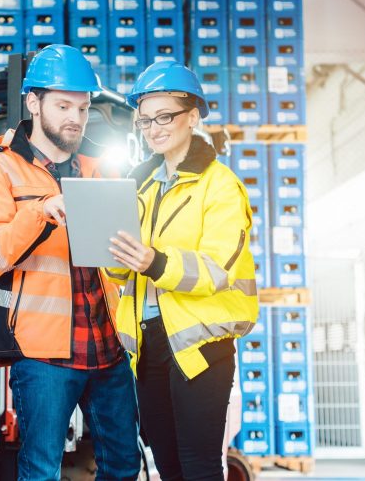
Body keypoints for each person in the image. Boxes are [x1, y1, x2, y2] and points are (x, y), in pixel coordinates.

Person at [0, 44, 142, 480]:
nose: (75, 118)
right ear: (33, 103)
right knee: (42, 469)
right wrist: (40, 211)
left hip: (108, 346)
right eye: (64, 105)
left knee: (124, 465)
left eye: (83, 108)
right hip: (43, 354)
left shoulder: (96, 169)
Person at [105, 61, 260, 481]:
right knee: (167, 467)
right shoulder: (141, 186)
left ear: (193, 117)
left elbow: (216, 268)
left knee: (200, 467)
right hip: (148, 343)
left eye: (165, 116)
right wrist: (109, 250)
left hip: (199, 346)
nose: (154, 128)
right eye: (146, 120)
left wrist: (153, 261)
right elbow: (124, 273)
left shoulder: (220, 185)